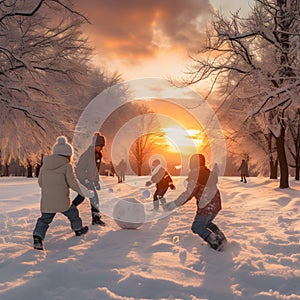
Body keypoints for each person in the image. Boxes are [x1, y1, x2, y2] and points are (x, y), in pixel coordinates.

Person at [33, 136, 91, 251]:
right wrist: (85, 192)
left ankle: (38, 237)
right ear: (68, 155)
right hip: (63, 201)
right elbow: (73, 183)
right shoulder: (67, 166)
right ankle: (78, 229)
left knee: (44, 220)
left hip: (47, 202)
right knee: (73, 213)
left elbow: (40, 183)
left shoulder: (44, 166)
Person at [164, 154, 226, 251]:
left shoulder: (195, 176)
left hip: (206, 206)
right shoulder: (208, 173)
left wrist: (175, 203)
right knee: (206, 223)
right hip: (216, 204)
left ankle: (216, 243)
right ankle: (221, 238)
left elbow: (188, 193)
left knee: (196, 226)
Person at [75, 132, 106, 226]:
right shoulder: (87, 155)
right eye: (99, 146)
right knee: (94, 197)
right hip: (84, 179)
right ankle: (96, 219)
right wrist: (85, 179)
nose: (101, 148)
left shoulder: (98, 156)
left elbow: (95, 171)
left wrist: (96, 182)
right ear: (95, 145)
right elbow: (79, 169)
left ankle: (70, 208)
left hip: (90, 180)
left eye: (102, 146)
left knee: (81, 197)